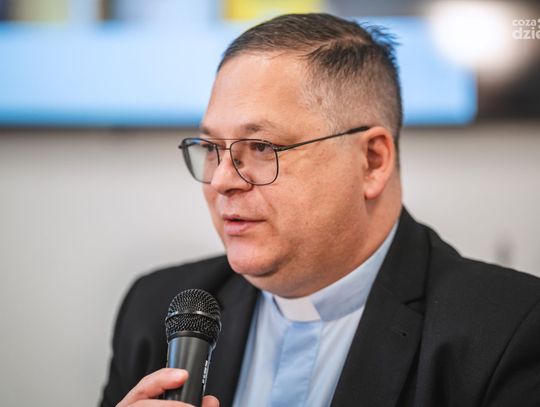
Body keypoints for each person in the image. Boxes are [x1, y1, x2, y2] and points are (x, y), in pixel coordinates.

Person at [100, 13, 540, 407]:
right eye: (212, 148)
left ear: (372, 161)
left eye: (262, 147)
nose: (221, 181)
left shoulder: (508, 332)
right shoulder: (158, 309)